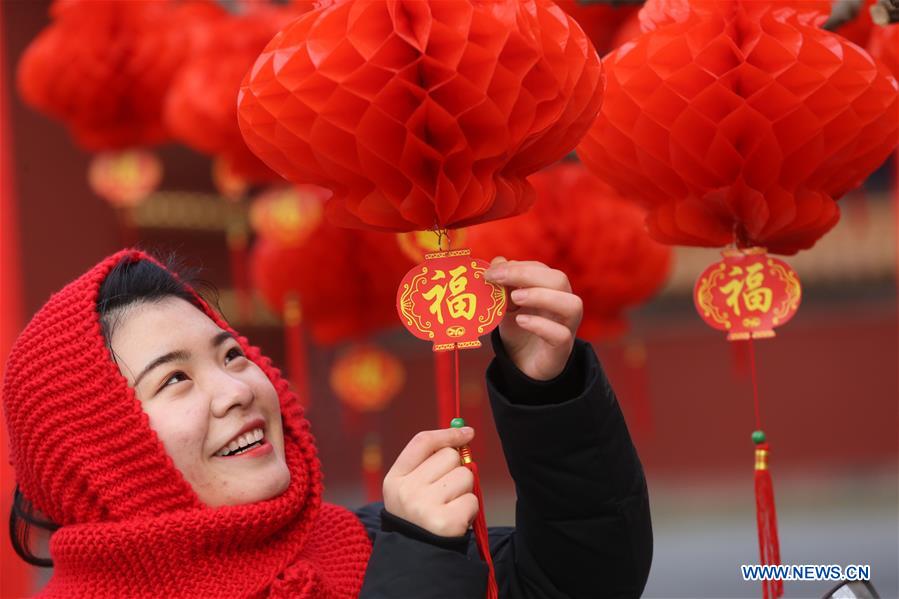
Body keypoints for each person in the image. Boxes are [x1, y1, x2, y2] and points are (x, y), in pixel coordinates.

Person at [3, 247, 652, 598]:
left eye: (231, 353)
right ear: (94, 450)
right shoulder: (405, 551)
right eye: (174, 377)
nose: (236, 389)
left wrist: (548, 392)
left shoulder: (367, 541)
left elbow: (581, 580)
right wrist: (420, 568)